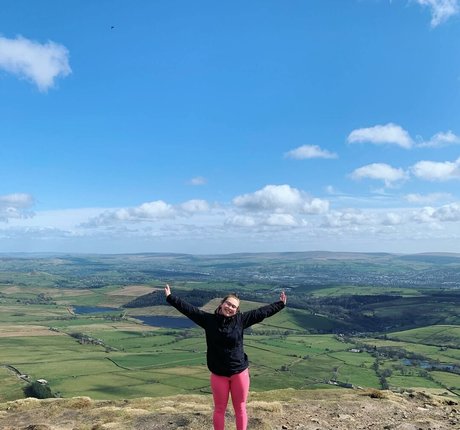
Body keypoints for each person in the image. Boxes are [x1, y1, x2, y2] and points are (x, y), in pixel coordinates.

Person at [164, 283, 287, 430]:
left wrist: (280, 304)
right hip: (218, 374)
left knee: (240, 408)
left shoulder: (241, 320)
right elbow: (189, 310)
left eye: (234, 306)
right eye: (228, 303)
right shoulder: (208, 320)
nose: (230, 307)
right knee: (219, 409)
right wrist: (170, 298)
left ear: (237, 310)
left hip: (239, 372)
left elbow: (261, 313)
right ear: (221, 304)